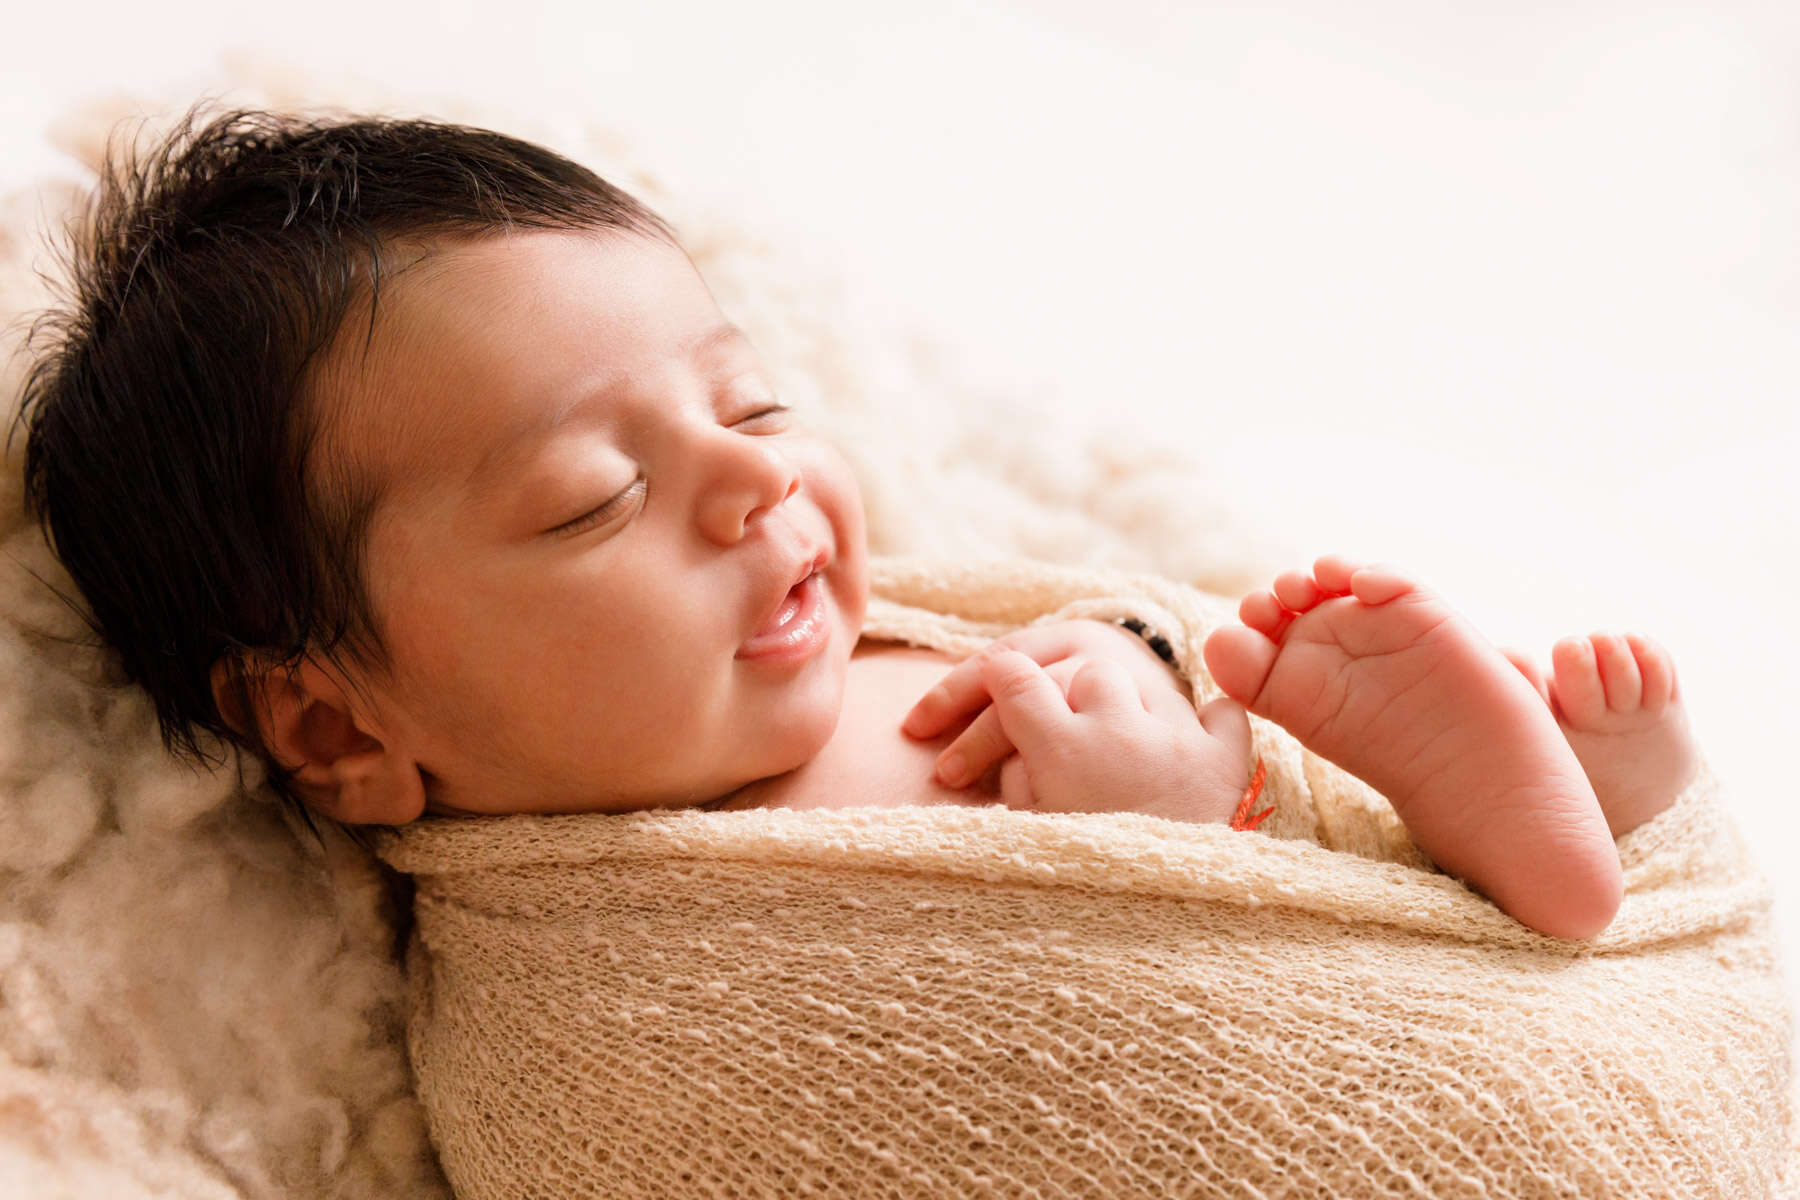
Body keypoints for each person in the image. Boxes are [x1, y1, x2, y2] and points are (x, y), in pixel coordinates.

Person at [14, 105, 1698, 941]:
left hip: (1268, 823)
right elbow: (1009, 1086)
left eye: (751, 407)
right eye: (599, 498)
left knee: (1221, 665)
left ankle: (1505, 821)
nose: (759, 482)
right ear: (331, 721)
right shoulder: (633, 938)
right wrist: (1165, 837)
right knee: (1213, 772)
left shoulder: (877, 637)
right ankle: (1460, 852)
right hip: (1198, 924)